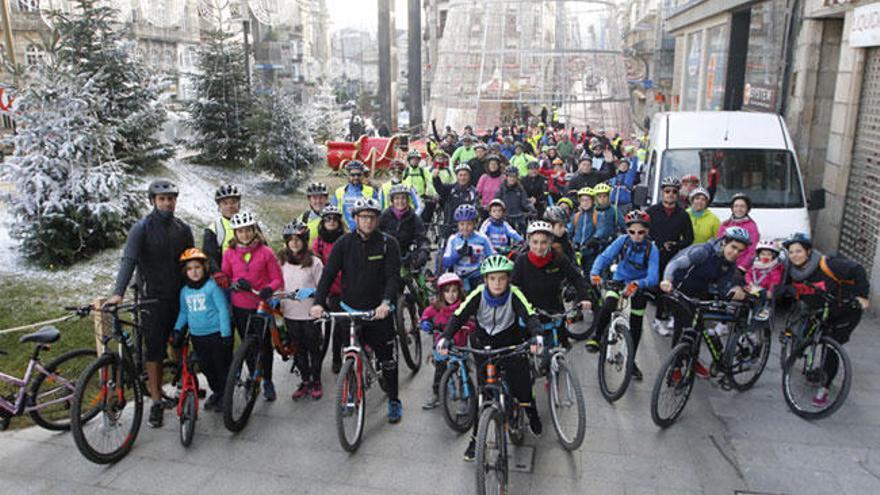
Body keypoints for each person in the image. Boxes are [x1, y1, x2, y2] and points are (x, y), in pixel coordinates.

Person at [437, 255, 543, 461]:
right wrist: (445, 337)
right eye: (492, 279)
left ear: (508, 279)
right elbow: (458, 316)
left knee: (522, 387)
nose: (497, 283)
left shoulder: (514, 294)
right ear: (485, 280)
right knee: (483, 395)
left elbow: (530, 315)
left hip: (510, 343)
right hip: (483, 345)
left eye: (502, 279)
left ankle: (532, 413)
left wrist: (537, 334)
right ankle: (476, 439)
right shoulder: (478, 294)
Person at [107, 179, 194, 428]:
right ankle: (156, 401)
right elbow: (129, 260)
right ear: (153, 201)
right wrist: (118, 293)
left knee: (179, 341)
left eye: (171, 198)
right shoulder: (141, 228)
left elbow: (192, 263)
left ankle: (180, 386)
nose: (167, 203)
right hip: (151, 299)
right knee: (154, 350)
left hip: (179, 297)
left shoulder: (183, 229)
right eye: (162, 199)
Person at [310, 197, 404, 423]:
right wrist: (318, 303)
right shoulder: (344, 243)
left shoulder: (387, 243)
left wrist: (386, 303)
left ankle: (393, 399)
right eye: (363, 217)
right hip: (349, 309)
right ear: (355, 219)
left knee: (387, 359)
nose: (368, 221)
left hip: (377, 311)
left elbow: (393, 278)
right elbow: (328, 274)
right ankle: (350, 390)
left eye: (372, 217)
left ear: (377, 219)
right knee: (347, 354)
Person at [781, 233, 870, 406]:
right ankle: (801, 358)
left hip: (845, 311)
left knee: (831, 345)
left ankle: (824, 387)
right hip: (820, 311)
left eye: (798, 251)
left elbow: (857, 270)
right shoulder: (792, 272)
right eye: (791, 252)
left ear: (808, 251)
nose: (794, 255)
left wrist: (862, 296)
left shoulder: (827, 264)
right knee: (805, 335)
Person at [659, 227, 751, 377]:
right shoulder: (703, 252)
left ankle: (692, 359)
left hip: (701, 293)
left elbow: (724, 286)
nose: (735, 253)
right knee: (683, 328)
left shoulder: (729, 264)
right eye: (733, 247)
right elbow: (674, 264)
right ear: (724, 242)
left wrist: (737, 290)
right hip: (681, 289)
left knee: (698, 328)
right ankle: (675, 367)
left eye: (740, 251)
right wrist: (667, 280)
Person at [584, 210, 659, 380]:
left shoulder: (652, 248)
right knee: (609, 303)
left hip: (640, 284)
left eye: (641, 232)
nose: (636, 236)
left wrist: (638, 284)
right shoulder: (622, 241)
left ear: (646, 231)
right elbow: (604, 257)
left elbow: (653, 276)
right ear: (627, 231)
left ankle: (631, 361)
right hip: (619, 279)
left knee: (636, 321)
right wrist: (595, 273)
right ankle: (597, 337)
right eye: (632, 232)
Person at [221, 211, 284, 401]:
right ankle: (253, 377)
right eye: (240, 231)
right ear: (235, 233)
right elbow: (225, 277)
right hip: (240, 306)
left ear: (254, 231)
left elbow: (277, 278)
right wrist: (233, 283)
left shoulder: (266, 252)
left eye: (248, 230)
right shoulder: (229, 253)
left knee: (264, 345)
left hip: (261, 305)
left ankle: (268, 380)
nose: (245, 235)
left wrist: (268, 288)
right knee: (247, 345)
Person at [170, 248, 231, 413]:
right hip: (198, 337)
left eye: (197, 267)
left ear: (204, 268)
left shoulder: (212, 287)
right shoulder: (185, 292)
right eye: (190, 269)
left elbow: (222, 310)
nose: (194, 272)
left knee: (221, 366)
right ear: (185, 272)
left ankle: (226, 394)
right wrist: (177, 329)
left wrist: (226, 333)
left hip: (216, 335)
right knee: (206, 367)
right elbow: (184, 312)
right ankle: (217, 392)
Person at [513, 220, 592, 344]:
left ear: (550, 242)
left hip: (554, 312)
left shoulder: (559, 258)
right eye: (535, 242)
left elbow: (576, 278)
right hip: (529, 314)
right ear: (528, 241)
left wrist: (584, 297)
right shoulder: (521, 261)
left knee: (559, 349)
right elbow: (514, 287)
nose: (539, 247)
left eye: (544, 242)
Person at [279, 221, 325, 401]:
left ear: (305, 241)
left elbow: (323, 287)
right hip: (290, 313)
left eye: (298, 239)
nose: (294, 243)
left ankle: (317, 380)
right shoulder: (282, 261)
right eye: (290, 240)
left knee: (313, 348)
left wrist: (312, 292)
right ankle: (305, 380)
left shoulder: (315, 262)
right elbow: (279, 282)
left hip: (309, 313)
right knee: (298, 350)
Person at [647, 177, 695, 335]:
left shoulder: (683, 214)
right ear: (662, 193)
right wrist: (657, 244)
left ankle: (672, 316)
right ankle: (659, 319)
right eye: (667, 191)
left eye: (674, 191)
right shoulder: (652, 211)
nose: (670, 194)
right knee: (657, 288)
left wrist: (676, 245)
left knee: (673, 288)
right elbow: (643, 232)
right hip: (654, 255)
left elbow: (689, 238)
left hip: (673, 257)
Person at [419, 273, 473, 409]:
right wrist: (425, 322)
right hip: (441, 347)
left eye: (454, 291)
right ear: (441, 294)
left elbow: (472, 320)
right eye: (447, 292)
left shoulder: (464, 306)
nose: (451, 295)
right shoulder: (436, 307)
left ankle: (465, 397)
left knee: (463, 373)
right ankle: (437, 394)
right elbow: (426, 315)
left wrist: (470, 326)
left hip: (459, 347)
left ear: (459, 291)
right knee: (440, 370)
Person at [312, 205, 347, 373]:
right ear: (323, 222)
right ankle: (336, 358)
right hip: (331, 290)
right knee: (339, 324)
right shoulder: (318, 242)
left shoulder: (347, 239)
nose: (331, 222)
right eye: (328, 219)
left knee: (348, 323)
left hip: (348, 287)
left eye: (334, 218)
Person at [442, 204, 495, 290]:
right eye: (462, 224)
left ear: (474, 224)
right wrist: (458, 254)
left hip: (478, 277)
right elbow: (445, 263)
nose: (465, 228)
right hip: (459, 278)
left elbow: (492, 257)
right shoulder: (453, 239)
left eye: (469, 224)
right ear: (458, 225)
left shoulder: (483, 238)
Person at [379, 184, 430, 268]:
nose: (400, 201)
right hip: (387, 257)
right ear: (392, 200)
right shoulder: (384, 216)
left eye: (403, 198)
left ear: (407, 200)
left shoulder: (414, 218)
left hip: (407, 257)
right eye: (397, 198)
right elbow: (376, 234)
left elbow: (422, 238)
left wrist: (424, 251)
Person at [717, 193, 760, 271]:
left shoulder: (752, 226)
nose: (739, 209)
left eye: (742, 206)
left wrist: (742, 267)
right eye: (736, 206)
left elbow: (752, 250)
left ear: (747, 209)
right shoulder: (725, 224)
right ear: (732, 208)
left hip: (738, 267)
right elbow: (719, 244)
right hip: (722, 264)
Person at [434, 163, 479, 238]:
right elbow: (440, 188)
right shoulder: (450, 189)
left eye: (465, 175)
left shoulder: (473, 191)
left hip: (467, 228)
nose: (463, 178)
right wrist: (435, 178)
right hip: (450, 227)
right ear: (457, 176)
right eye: (460, 175)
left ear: (469, 176)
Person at [204, 184, 241, 273]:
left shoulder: (250, 224)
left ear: (239, 204)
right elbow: (209, 257)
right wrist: (218, 274)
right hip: (227, 277)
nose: (230, 206)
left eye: (233, 202)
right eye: (225, 203)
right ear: (219, 206)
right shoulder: (213, 229)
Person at [332, 160, 378, 230]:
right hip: (344, 231)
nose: (356, 177)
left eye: (359, 175)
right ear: (348, 175)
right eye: (352, 175)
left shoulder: (371, 191)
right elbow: (333, 213)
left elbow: (377, 213)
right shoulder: (339, 192)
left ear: (363, 175)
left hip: (365, 231)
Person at [745, 240, 784, 321]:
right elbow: (748, 274)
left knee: (763, 299)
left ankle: (764, 310)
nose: (765, 256)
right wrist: (750, 282)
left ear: (773, 256)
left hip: (764, 291)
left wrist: (771, 290)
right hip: (753, 288)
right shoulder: (755, 266)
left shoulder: (774, 268)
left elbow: (775, 281)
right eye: (763, 254)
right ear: (758, 255)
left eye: (769, 254)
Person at [495, 165, 536, 233]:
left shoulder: (520, 189)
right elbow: (497, 202)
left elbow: (524, 202)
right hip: (505, 217)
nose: (512, 179)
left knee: (521, 234)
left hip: (518, 217)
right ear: (506, 177)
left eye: (514, 176)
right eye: (510, 176)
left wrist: (531, 208)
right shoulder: (501, 189)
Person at [403, 149, 439, 224]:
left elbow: (430, 183)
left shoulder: (423, 171)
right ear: (409, 160)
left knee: (426, 214)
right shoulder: (405, 171)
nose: (415, 161)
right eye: (413, 159)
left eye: (417, 159)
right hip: (407, 198)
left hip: (421, 197)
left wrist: (434, 193)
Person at [570, 187, 597, 273]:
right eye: (582, 200)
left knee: (589, 273)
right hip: (577, 251)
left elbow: (600, 231)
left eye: (587, 200)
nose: (585, 203)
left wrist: (592, 241)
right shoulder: (576, 216)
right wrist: (572, 243)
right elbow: (570, 231)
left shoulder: (596, 215)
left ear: (593, 201)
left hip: (590, 251)